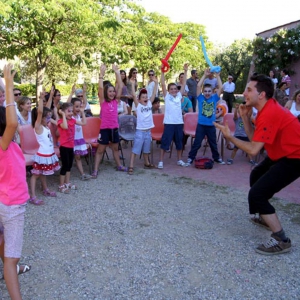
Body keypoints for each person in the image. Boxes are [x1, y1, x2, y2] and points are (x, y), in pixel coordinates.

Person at [215, 74, 300, 255]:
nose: (244, 93)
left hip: (295, 158)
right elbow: (256, 141)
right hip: (282, 153)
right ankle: (263, 214)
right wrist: (245, 118)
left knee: (257, 193)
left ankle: (281, 239)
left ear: (261, 95)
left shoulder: (269, 113)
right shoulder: (265, 109)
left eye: (249, 89)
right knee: (256, 175)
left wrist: (230, 137)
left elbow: (253, 150)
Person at [0, 64, 31, 300]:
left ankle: (11, 269)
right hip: (11, 207)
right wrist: (9, 87)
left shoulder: (9, 146)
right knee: (11, 259)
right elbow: (12, 123)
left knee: (3, 242)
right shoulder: (2, 143)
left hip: (3, 202)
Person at [91, 64, 128, 178]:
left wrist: (117, 72)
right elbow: (101, 88)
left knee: (115, 148)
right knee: (100, 149)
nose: (112, 93)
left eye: (113, 91)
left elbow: (120, 87)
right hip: (104, 129)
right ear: (106, 93)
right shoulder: (103, 102)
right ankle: (96, 170)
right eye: (110, 91)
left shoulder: (116, 101)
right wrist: (101, 76)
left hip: (114, 128)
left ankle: (119, 165)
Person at [185, 69, 225, 166]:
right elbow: (198, 86)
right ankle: (190, 158)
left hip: (211, 126)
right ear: (203, 92)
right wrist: (204, 75)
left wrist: (218, 76)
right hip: (201, 126)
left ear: (212, 92)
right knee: (197, 143)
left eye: (209, 91)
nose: (207, 93)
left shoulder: (214, 98)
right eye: (205, 91)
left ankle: (217, 158)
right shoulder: (201, 98)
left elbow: (221, 87)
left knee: (213, 144)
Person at [29, 95, 61, 205]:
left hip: (48, 154)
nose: (49, 119)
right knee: (36, 175)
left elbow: (46, 110)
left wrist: (50, 96)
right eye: (47, 117)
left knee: (42, 173)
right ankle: (32, 196)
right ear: (41, 117)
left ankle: (45, 189)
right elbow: (40, 112)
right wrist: (41, 99)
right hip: (42, 156)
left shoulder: (45, 125)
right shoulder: (38, 126)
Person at [157, 63, 188, 169]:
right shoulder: (167, 96)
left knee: (179, 143)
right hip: (169, 123)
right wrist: (162, 72)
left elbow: (183, 84)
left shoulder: (179, 95)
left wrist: (185, 71)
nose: (174, 90)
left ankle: (179, 160)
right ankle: (161, 161)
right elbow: (163, 83)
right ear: (169, 91)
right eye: (172, 89)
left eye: (175, 88)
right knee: (165, 142)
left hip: (179, 123)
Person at [127, 76, 159, 175]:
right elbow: (133, 94)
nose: (145, 98)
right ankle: (131, 165)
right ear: (139, 99)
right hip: (140, 132)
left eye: (146, 97)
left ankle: (147, 163)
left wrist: (156, 83)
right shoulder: (139, 105)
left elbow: (154, 93)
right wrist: (132, 84)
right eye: (143, 97)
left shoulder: (149, 104)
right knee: (136, 149)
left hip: (148, 131)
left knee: (146, 149)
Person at [57, 102, 86, 193]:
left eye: (71, 111)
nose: (70, 113)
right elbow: (65, 127)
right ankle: (61, 185)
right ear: (62, 112)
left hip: (71, 146)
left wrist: (82, 112)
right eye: (68, 111)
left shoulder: (73, 120)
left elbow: (84, 123)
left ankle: (67, 182)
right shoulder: (61, 121)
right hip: (64, 147)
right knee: (65, 166)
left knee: (69, 166)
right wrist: (62, 115)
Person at [67, 94, 92, 181]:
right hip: (72, 140)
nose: (78, 108)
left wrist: (82, 112)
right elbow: (67, 103)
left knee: (78, 157)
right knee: (71, 158)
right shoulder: (70, 117)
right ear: (71, 107)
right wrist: (71, 92)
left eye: (79, 106)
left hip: (79, 139)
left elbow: (84, 121)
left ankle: (82, 174)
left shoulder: (78, 116)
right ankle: (67, 175)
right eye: (76, 106)